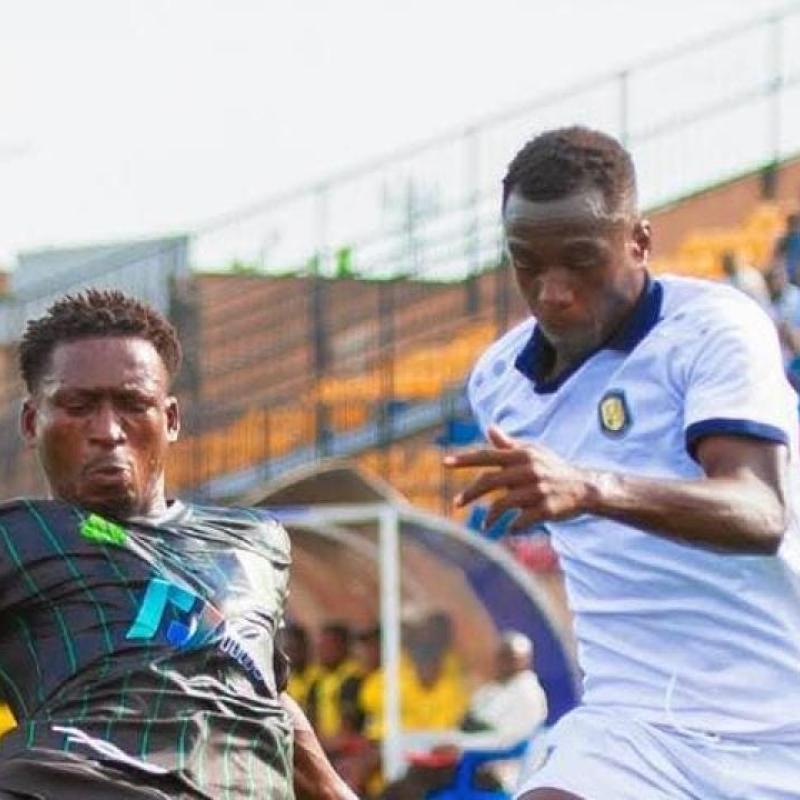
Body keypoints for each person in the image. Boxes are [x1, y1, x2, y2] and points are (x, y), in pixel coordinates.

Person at [445, 127, 800, 799]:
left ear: (639, 241)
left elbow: (761, 511)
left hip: (781, 726)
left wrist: (590, 487)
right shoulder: (500, 383)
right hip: (633, 730)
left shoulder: (713, 330)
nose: (552, 292)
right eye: (527, 263)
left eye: (580, 261)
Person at [0, 290, 356, 800]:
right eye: (78, 406)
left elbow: (258, 688)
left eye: (132, 405)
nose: (107, 431)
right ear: (33, 423)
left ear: (170, 419)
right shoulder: (18, 535)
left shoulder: (255, 542)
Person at [380, 632, 548, 799]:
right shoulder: (494, 689)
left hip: (492, 769)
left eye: (511, 658)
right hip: (467, 760)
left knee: (416, 781)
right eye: (502, 656)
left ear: (525, 660)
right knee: (412, 776)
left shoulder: (528, 693)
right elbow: (469, 722)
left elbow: (507, 742)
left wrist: (461, 747)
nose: (504, 662)